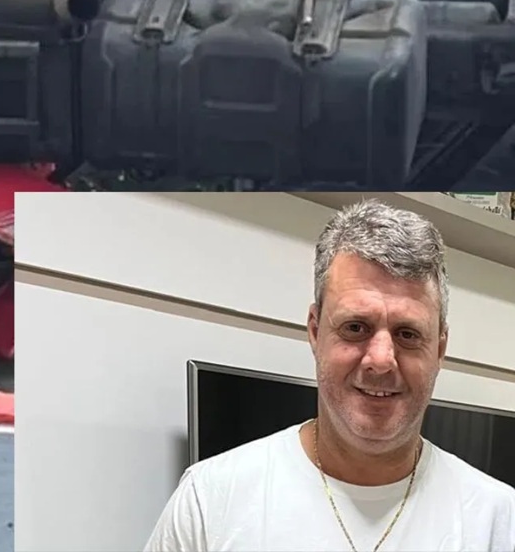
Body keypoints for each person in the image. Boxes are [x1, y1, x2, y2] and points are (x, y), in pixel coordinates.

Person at [144, 198, 515, 551]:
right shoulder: (210, 502)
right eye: (356, 327)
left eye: (407, 333)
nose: (381, 360)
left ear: (439, 348)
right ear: (316, 331)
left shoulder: (499, 521)